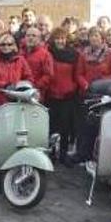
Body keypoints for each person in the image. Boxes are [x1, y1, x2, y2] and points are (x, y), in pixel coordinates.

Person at [45, 28, 79, 157]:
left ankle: (63, 153)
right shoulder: (48, 53)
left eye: (63, 38)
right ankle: (51, 153)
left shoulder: (73, 54)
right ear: (53, 40)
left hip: (67, 95)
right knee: (51, 126)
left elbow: (77, 74)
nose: (60, 41)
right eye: (58, 38)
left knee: (65, 127)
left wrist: (73, 88)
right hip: (51, 95)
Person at [0, 33, 32, 107]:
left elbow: (28, 77)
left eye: (9, 44)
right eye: (3, 44)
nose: (6, 47)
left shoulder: (20, 60)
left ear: (14, 46)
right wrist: (5, 85)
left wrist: (20, 87)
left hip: (18, 100)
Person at [75, 27, 111, 95]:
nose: (93, 38)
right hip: (88, 91)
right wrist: (85, 85)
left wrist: (102, 80)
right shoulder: (83, 54)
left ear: (102, 38)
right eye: (91, 36)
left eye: (96, 35)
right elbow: (79, 74)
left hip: (105, 91)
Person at [19, 27, 53, 97]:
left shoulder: (45, 55)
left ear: (39, 39)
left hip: (35, 93)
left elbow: (48, 75)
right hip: (19, 92)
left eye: (34, 36)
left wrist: (34, 86)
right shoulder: (20, 53)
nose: (30, 38)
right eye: (28, 35)